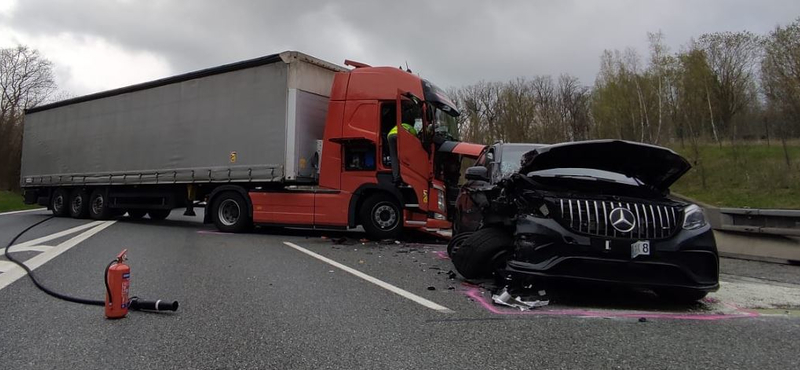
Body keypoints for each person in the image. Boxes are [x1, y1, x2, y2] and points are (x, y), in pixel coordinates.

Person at [387, 111, 419, 185]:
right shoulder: (411, 128)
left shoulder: (401, 125)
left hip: (390, 136)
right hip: (398, 136)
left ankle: (396, 177)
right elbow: (416, 140)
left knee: (394, 157)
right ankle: (405, 175)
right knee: (405, 156)